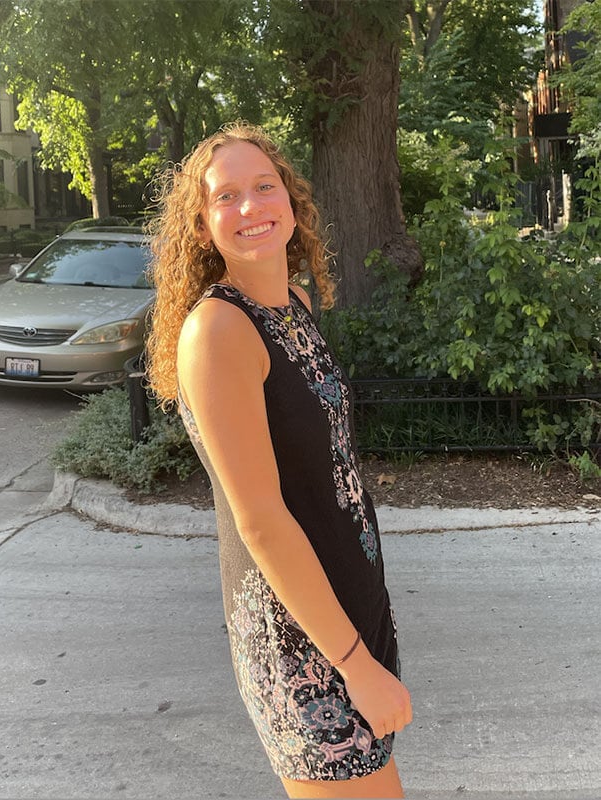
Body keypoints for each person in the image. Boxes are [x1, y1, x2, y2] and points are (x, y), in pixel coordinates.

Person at [146, 121, 412, 799]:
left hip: (343, 607)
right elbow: (261, 521)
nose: (250, 207)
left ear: (291, 202)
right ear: (202, 228)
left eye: (265, 187)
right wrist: (354, 664)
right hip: (301, 643)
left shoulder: (292, 305)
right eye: (225, 196)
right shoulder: (219, 330)